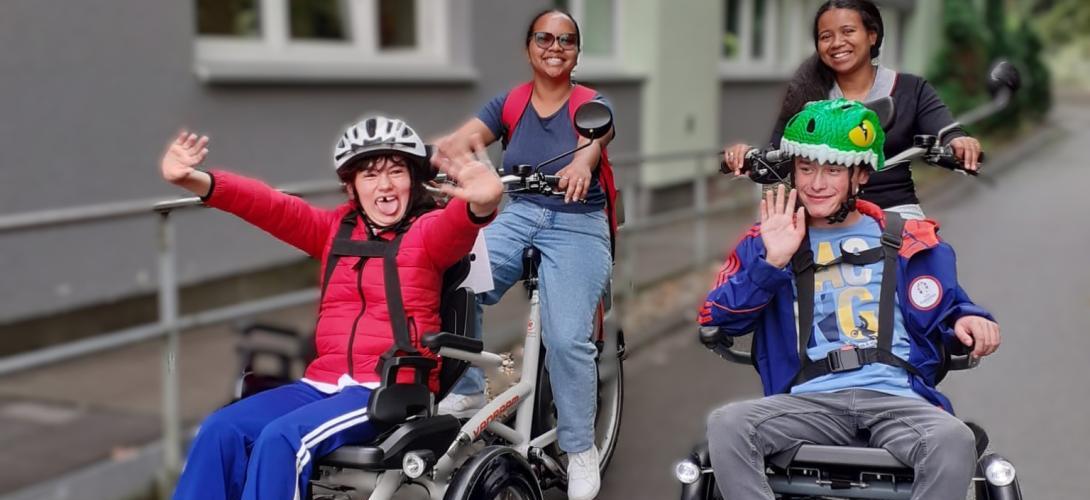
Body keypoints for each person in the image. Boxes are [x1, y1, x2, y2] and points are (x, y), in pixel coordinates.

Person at [160, 116, 503, 500]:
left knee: (284, 440)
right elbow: (268, 205)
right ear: (351, 186)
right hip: (321, 383)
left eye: (396, 172)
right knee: (220, 429)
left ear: (413, 181)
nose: (385, 185)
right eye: (370, 175)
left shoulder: (426, 232)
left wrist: (484, 198)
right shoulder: (334, 231)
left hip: (388, 387)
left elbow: (461, 222)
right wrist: (195, 180)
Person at [699, 99, 1001, 499]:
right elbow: (717, 318)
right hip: (810, 400)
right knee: (727, 424)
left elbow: (948, 305)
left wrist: (969, 319)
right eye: (806, 169)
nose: (816, 183)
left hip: (896, 397)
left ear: (860, 175)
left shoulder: (910, 238)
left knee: (954, 440)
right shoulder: (769, 238)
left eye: (832, 170)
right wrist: (772, 261)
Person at [432, 8, 617, 500]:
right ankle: (468, 386)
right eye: (545, 38)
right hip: (517, 215)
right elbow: (463, 140)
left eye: (567, 40)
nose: (556, 47)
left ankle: (580, 449)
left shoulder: (591, 102)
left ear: (577, 52)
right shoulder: (510, 101)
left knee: (566, 338)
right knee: (456, 277)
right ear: (528, 47)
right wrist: (437, 159)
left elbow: (592, 143)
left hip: (578, 223)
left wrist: (581, 164)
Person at [723, 0, 982, 220]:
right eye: (826, 36)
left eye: (848, 31)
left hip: (895, 212)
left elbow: (947, 130)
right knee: (772, 268)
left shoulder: (911, 89)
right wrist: (745, 156)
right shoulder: (807, 93)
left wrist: (959, 142)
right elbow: (776, 155)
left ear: (872, 35)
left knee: (931, 267)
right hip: (822, 216)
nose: (837, 43)